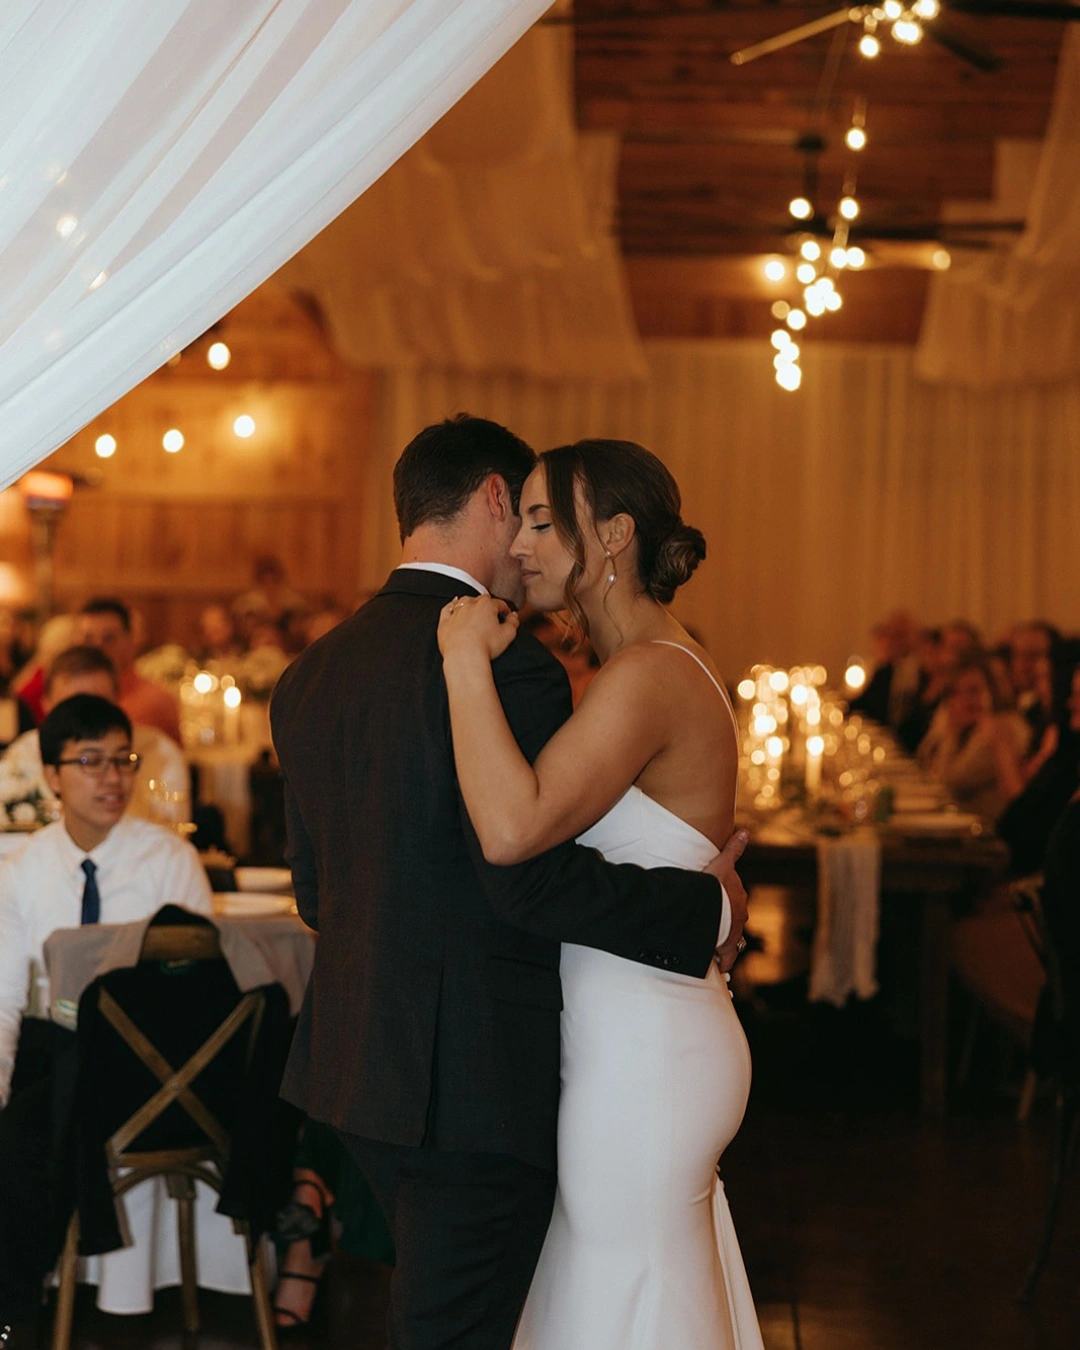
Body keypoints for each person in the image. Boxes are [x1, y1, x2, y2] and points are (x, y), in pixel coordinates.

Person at [269, 415, 748, 1350]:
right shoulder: (512, 665)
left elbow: (318, 896)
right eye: (523, 516)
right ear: (493, 497)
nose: (527, 545)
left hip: (366, 1070)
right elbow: (520, 876)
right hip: (477, 1078)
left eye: (547, 521)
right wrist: (705, 907)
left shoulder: (311, 672)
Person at [438, 437, 761, 1350]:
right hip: (638, 1037)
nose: (521, 544)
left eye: (544, 522)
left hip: (646, 1056)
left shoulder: (648, 673)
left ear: (614, 535)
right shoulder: (650, 665)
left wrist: (462, 660)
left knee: (633, 1300)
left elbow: (512, 828)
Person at [0, 695, 212, 1342]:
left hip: (153, 1062)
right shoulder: (20, 870)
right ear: (52, 775)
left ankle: (20, 1312)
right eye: (90, 761)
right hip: (54, 1050)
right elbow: (4, 1000)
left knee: (40, 1120)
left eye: (122, 759)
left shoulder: (169, 862)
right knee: (25, 1109)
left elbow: (203, 996)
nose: (113, 777)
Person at [1, 645, 191, 825]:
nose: (85, 721)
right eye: (71, 709)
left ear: (117, 702)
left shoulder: (158, 753)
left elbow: (170, 828)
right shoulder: (22, 757)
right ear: (46, 705)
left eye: (98, 707)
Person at [917, 653, 1031, 823]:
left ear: (992, 691)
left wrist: (951, 735)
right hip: (962, 823)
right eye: (956, 693)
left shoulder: (1001, 726)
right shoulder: (970, 728)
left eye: (974, 690)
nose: (965, 700)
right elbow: (923, 758)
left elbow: (947, 782)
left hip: (987, 831)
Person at [77, 598, 182, 744]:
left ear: (130, 640)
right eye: (88, 639)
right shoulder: (71, 697)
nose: (98, 647)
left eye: (109, 638)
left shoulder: (154, 703)